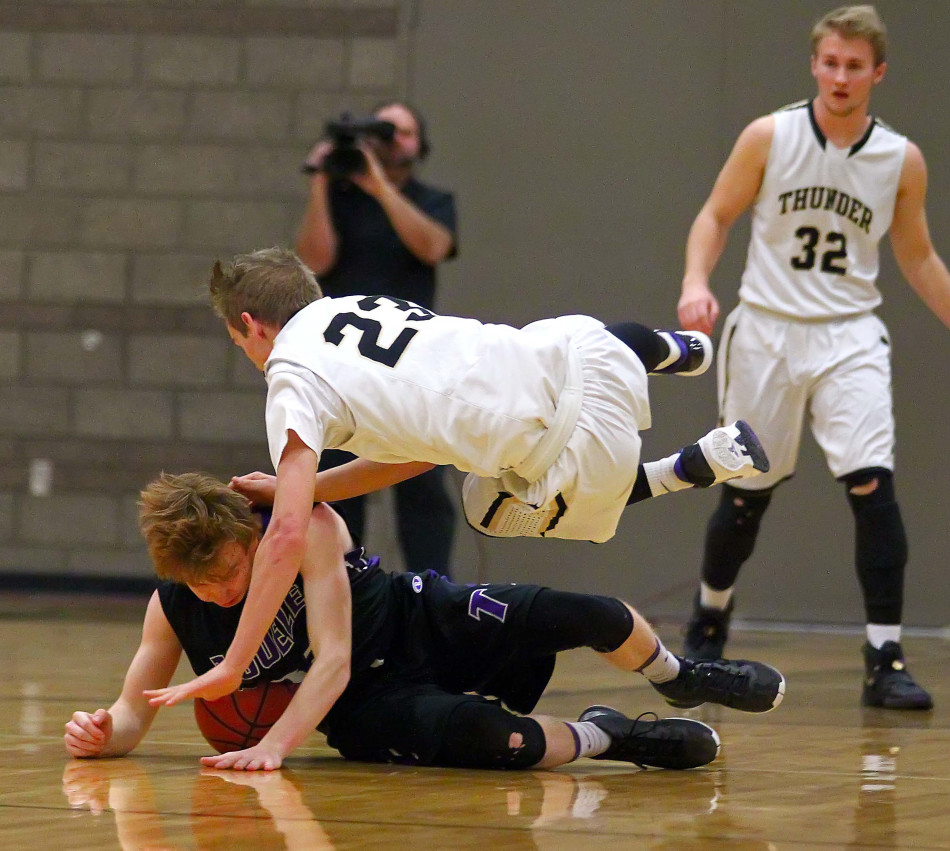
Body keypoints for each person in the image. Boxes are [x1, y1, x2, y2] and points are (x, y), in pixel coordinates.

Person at [148, 246, 770, 707]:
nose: (250, 356)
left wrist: (234, 662)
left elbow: (284, 537)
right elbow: (420, 453)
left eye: (240, 343)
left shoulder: (290, 373)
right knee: (546, 346)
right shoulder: (361, 308)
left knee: (487, 506)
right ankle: (681, 350)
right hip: (592, 354)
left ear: (253, 324)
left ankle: (687, 468)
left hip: (579, 447)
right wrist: (300, 488)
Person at [675, 5, 950, 710]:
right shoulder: (769, 135)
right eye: (830, 62)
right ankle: (709, 619)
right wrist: (694, 282)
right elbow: (715, 215)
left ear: (877, 73)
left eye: (854, 65)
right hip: (767, 330)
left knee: (873, 487)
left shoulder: (900, 158)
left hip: (849, 334)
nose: (840, 76)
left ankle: (885, 654)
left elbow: (918, 256)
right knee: (745, 495)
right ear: (814, 64)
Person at [65, 473, 785, 772]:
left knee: (582, 612)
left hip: (414, 617)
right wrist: (104, 734)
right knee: (503, 742)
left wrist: (276, 745)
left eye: (231, 569)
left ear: (254, 536)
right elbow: (135, 712)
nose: (222, 590)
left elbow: (333, 654)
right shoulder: (174, 609)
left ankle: (682, 675)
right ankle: (614, 734)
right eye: (202, 582)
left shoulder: (300, 527)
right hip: (364, 707)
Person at [295, 100, 459, 578]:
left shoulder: (433, 201)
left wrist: (381, 187)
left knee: (423, 489)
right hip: (344, 365)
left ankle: (434, 593)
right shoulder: (340, 200)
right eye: (384, 131)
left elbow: (433, 247)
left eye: (402, 132)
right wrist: (321, 183)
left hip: (413, 364)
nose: (392, 141)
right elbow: (314, 261)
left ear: (420, 144)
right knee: (340, 484)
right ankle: (344, 590)